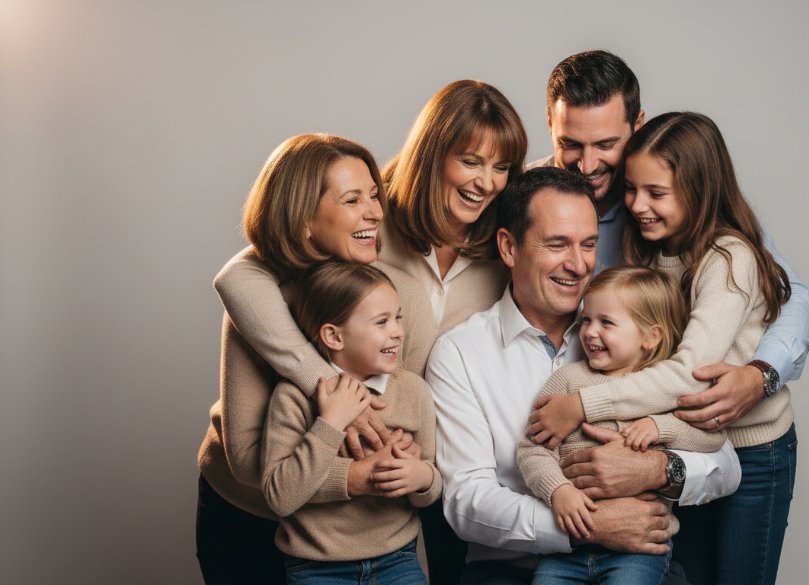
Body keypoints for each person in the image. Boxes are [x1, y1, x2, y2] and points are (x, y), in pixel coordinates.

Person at [528, 51, 809, 545]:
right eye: (569, 144)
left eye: (606, 144)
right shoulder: (532, 196)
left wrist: (760, 374)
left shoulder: (699, 222)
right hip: (629, 429)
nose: (588, 164)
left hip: (700, 431)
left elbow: (796, 301)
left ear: (637, 126)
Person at [426, 167, 741, 585]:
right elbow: (467, 502)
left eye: (588, 245)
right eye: (557, 244)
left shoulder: (630, 334)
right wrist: (586, 525)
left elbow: (727, 466)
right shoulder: (460, 354)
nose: (577, 265)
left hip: (636, 557)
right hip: (509, 568)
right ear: (508, 247)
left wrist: (657, 469)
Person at [196, 134, 425, 584]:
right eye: (352, 199)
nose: (376, 212)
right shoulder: (260, 301)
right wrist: (357, 470)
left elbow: (394, 423)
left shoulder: (393, 297)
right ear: (303, 221)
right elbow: (248, 463)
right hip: (250, 517)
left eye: (374, 196)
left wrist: (397, 462)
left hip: (359, 538)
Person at [377, 78, 529, 582]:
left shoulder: (502, 250)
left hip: (441, 471)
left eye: (501, 167)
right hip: (343, 463)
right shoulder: (368, 218)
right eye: (470, 161)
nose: (486, 182)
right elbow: (251, 272)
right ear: (432, 154)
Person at [516, 266, 726, 585]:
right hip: (566, 550)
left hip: (639, 549)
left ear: (650, 336)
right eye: (586, 319)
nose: (589, 332)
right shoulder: (568, 380)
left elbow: (712, 437)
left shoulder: (664, 389)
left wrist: (660, 427)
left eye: (606, 323)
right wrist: (558, 491)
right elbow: (532, 449)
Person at [262, 262, 440, 585]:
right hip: (316, 566)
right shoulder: (293, 398)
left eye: (397, 317)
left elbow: (432, 482)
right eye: (381, 322)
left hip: (398, 560)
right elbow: (280, 495)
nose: (398, 331)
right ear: (334, 336)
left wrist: (422, 477)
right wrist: (331, 423)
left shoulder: (414, 392)